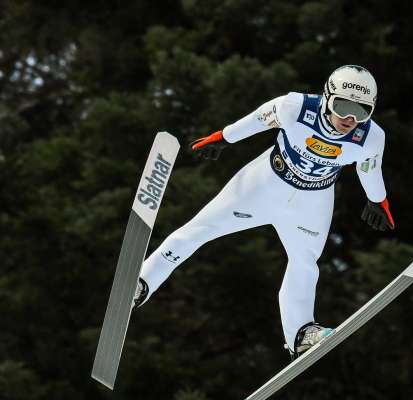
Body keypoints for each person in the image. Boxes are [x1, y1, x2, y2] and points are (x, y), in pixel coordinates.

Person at [133, 65, 395, 359]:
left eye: (361, 111)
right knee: (199, 229)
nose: (350, 119)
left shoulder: (372, 137)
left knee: (305, 262)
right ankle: (142, 282)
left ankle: (301, 334)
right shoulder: (295, 107)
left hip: (313, 202)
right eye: (343, 106)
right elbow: (258, 119)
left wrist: (377, 200)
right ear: (326, 97)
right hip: (262, 186)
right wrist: (224, 137)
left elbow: (370, 169)